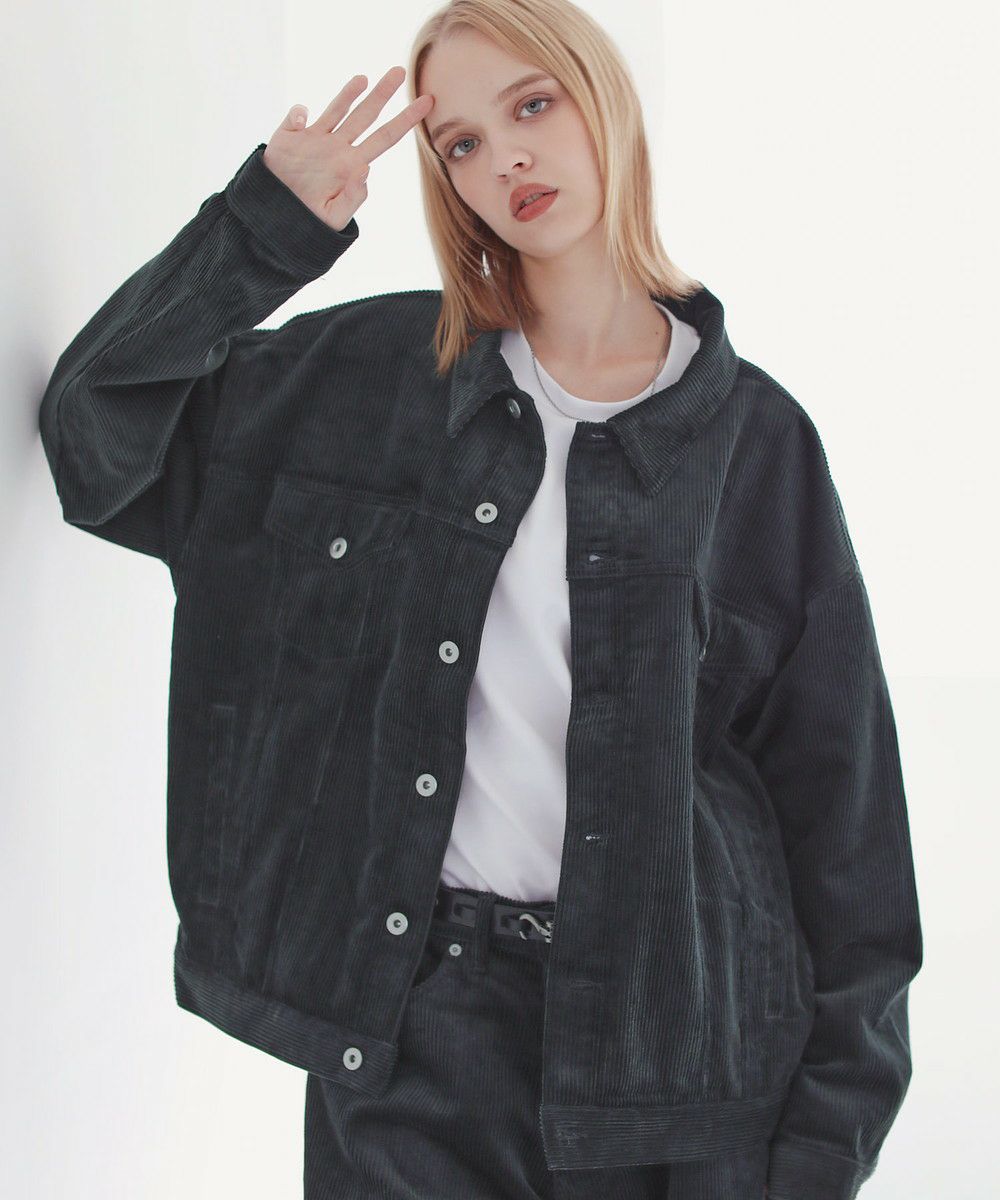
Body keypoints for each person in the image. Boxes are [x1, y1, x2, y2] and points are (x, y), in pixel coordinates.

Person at [37, 1, 922, 1198]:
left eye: (531, 106)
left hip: (680, 1047)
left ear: (601, 100)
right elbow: (97, 435)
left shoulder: (753, 442)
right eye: (459, 142)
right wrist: (267, 228)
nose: (504, 157)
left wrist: (824, 1144)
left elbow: (843, 814)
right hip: (415, 1032)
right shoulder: (365, 382)